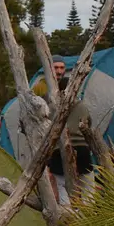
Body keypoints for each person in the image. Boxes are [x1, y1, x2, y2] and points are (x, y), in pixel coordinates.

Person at [35, 59, 94, 199]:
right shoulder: (82, 106)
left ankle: (66, 213)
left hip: (58, 151)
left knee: (62, 186)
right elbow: (88, 126)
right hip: (81, 150)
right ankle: (88, 213)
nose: (59, 71)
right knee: (87, 186)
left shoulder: (52, 107)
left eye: (62, 67)